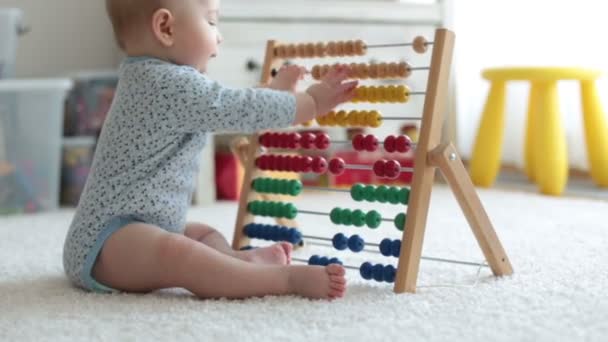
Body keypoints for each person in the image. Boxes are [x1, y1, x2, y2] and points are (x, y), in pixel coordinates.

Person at [62, 0, 358, 300]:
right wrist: (310, 104)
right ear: (166, 28)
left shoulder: (152, 78)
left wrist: (274, 95)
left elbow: (227, 106)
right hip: (105, 245)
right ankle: (283, 280)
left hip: (136, 230)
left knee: (203, 235)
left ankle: (238, 262)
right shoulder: (165, 84)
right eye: (212, 21)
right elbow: (234, 108)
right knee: (180, 252)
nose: (220, 36)